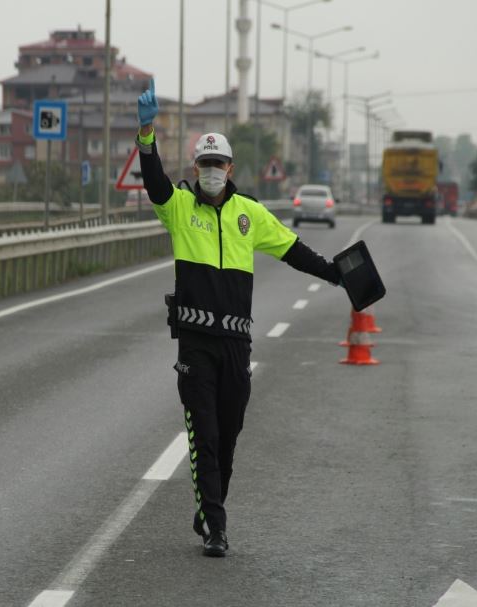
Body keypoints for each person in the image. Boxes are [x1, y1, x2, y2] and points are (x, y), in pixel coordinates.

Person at [136, 79, 343, 557]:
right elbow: (153, 181)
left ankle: (210, 507)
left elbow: (293, 249)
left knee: (227, 437)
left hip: (236, 348)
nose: (211, 171)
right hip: (195, 347)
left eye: (218, 164)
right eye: (204, 163)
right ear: (196, 167)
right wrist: (147, 133)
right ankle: (216, 528)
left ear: (230, 168)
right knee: (204, 436)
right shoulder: (179, 208)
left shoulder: (250, 214)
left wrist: (334, 274)